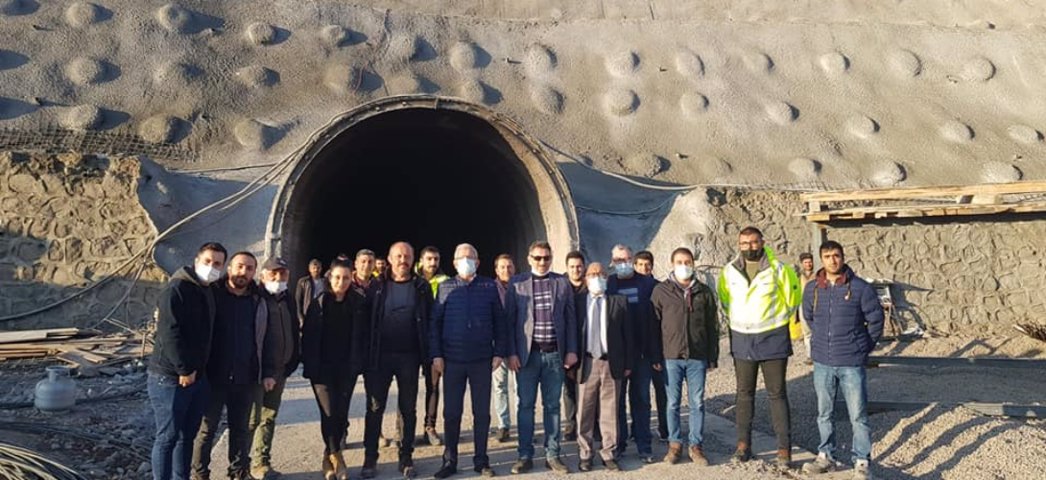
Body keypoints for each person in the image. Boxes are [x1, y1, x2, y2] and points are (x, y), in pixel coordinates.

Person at [717, 226, 800, 467]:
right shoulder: (728, 271)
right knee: (744, 394)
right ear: (738, 244)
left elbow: (792, 299)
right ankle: (743, 445)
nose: (749, 247)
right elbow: (725, 299)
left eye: (754, 242)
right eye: (744, 243)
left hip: (772, 338)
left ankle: (783, 450)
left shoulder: (779, 269)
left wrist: (777, 322)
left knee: (777, 394)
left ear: (762, 242)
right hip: (742, 339)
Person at [801, 241, 884, 480]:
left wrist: (862, 347)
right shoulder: (813, 289)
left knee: (858, 415)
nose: (832, 260)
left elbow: (876, 320)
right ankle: (826, 456)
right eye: (827, 256)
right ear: (821, 259)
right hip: (823, 362)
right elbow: (809, 316)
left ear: (843, 257)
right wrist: (820, 342)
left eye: (836, 255)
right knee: (824, 413)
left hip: (851, 362)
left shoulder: (860, 288)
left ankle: (862, 462)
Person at [149, 242, 225, 480]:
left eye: (217, 264)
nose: (212, 267)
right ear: (196, 261)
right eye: (208, 261)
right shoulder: (177, 289)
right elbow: (169, 333)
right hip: (171, 378)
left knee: (186, 437)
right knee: (167, 437)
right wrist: (184, 369)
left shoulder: (208, 290)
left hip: (197, 377)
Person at [430, 243, 507, 479]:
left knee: (481, 413)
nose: (466, 261)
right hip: (452, 360)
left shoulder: (489, 286)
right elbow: (435, 324)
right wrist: (436, 354)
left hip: (481, 360)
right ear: (454, 263)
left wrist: (499, 352)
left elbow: (500, 322)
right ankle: (449, 461)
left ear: (478, 262)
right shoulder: (445, 287)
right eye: (462, 258)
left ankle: (481, 460)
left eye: (471, 257)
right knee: (452, 413)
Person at [192, 252, 268, 480]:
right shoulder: (213, 294)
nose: (244, 272)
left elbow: (265, 337)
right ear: (229, 268)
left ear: (254, 272)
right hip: (213, 376)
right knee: (206, 430)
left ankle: (238, 472)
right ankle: (199, 474)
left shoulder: (257, 299)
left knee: (240, 429)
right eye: (240, 266)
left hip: (244, 377)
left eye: (250, 268)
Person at [361, 242, 433, 479]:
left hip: (410, 357)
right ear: (390, 259)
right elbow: (364, 320)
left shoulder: (421, 287)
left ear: (413, 260)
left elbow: (430, 320)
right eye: (399, 256)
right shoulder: (376, 286)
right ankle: (370, 457)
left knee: (408, 409)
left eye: (407, 256)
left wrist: (430, 355)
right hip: (380, 357)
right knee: (375, 408)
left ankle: (406, 456)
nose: (403, 260)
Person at [506, 241, 578, 474]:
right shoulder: (517, 284)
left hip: (554, 355)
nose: (542, 261)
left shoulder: (562, 282)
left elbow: (571, 320)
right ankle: (524, 455)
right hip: (527, 357)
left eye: (546, 257)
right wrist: (511, 353)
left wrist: (571, 350)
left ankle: (552, 454)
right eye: (537, 257)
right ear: (529, 259)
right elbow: (509, 321)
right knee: (525, 405)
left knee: (552, 406)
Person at [301, 260, 368, 480]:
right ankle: (337, 456)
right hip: (322, 370)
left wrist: (359, 362)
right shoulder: (318, 303)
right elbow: (308, 338)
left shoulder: (358, 303)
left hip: (346, 368)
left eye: (346, 277)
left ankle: (327, 458)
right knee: (328, 413)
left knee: (341, 414)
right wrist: (310, 366)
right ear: (330, 277)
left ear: (351, 278)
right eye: (337, 277)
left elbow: (363, 336)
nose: (341, 282)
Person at [651, 248, 719, 466]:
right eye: (679, 262)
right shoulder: (661, 291)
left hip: (697, 357)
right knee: (672, 403)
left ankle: (695, 445)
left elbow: (712, 326)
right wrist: (655, 356)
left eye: (687, 261)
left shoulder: (704, 292)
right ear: (672, 264)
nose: (684, 265)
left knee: (697, 402)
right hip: (670, 357)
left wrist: (712, 356)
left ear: (693, 263)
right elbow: (653, 326)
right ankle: (674, 444)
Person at [574, 263, 633, 473]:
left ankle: (609, 453)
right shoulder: (578, 302)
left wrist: (628, 363)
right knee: (585, 410)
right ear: (586, 278)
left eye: (601, 274)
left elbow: (628, 335)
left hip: (611, 363)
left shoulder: (619, 301)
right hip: (587, 362)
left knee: (610, 411)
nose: (597, 277)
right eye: (592, 274)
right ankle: (585, 453)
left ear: (607, 278)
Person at [249, 257, 300, 480]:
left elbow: (293, 328)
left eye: (283, 274)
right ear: (263, 275)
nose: (278, 278)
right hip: (259, 372)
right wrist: (265, 371)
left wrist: (292, 360)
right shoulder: (255, 299)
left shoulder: (287, 299)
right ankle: (240, 465)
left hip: (280, 370)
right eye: (273, 273)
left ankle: (261, 462)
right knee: (251, 420)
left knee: (268, 416)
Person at [606, 244, 657, 463]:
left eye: (627, 259)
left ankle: (644, 445)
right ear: (612, 262)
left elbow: (656, 320)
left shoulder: (647, 284)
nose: (623, 263)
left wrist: (655, 353)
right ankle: (619, 444)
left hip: (642, 354)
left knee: (641, 400)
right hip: (618, 355)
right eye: (619, 260)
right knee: (617, 403)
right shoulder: (608, 284)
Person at [417, 245, 449, 446]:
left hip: (435, 340)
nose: (433, 263)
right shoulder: (412, 281)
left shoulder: (446, 282)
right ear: (421, 260)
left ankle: (430, 426)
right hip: (413, 341)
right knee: (407, 388)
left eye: (436, 259)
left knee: (433, 386)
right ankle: (402, 431)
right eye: (429, 259)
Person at [634, 249, 668, 442]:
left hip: (660, 349)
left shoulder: (660, 288)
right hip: (641, 351)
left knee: (663, 392)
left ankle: (665, 429)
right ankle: (639, 430)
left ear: (652, 267)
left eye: (647, 265)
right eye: (640, 265)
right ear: (634, 266)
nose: (644, 268)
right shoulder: (631, 288)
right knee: (640, 395)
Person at [561, 250, 586, 442]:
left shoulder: (591, 286)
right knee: (568, 387)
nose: (576, 270)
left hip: (587, 344)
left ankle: (590, 423)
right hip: (566, 344)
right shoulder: (561, 287)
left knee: (588, 386)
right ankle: (571, 424)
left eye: (578, 266)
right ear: (567, 268)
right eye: (572, 267)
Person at [491, 253, 516, 443]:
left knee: (520, 388)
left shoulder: (522, 287)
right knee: (499, 387)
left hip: (518, 345)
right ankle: (503, 425)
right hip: (497, 346)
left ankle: (524, 426)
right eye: (502, 267)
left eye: (509, 266)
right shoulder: (489, 289)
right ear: (496, 270)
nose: (506, 270)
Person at [797, 252, 817, 363]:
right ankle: (810, 355)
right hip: (803, 305)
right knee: (807, 331)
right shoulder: (798, 276)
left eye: (810, 262)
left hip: (817, 304)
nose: (808, 264)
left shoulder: (817, 275)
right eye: (806, 262)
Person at [295, 259, 326, 325]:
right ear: (309, 269)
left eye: (318, 268)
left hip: (321, 314)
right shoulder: (303, 282)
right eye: (313, 268)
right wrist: (300, 317)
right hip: (308, 314)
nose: (316, 270)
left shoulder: (325, 282)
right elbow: (298, 300)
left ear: (321, 269)